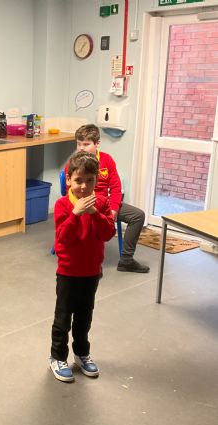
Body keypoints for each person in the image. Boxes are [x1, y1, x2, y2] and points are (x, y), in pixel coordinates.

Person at [50, 151, 115, 383]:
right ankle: (57, 357)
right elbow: (62, 240)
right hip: (68, 273)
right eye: (78, 180)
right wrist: (76, 214)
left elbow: (108, 233)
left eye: (90, 180)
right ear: (69, 180)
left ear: (96, 180)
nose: (84, 186)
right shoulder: (62, 205)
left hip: (91, 272)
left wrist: (94, 213)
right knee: (63, 317)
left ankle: (81, 353)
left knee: (84, 317)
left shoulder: (102, 203)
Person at [70, 123, 150, 273]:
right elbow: (70, 191)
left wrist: (113, 210)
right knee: (91, 220)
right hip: (85, 204)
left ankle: (126, 261)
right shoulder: (74, 163)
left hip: (105, 203)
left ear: (97, 144)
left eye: (86, 144)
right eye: (79, 144)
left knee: (138, 216)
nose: (81, 148)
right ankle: (91, 264)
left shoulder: (107, 160)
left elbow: (116, 188)